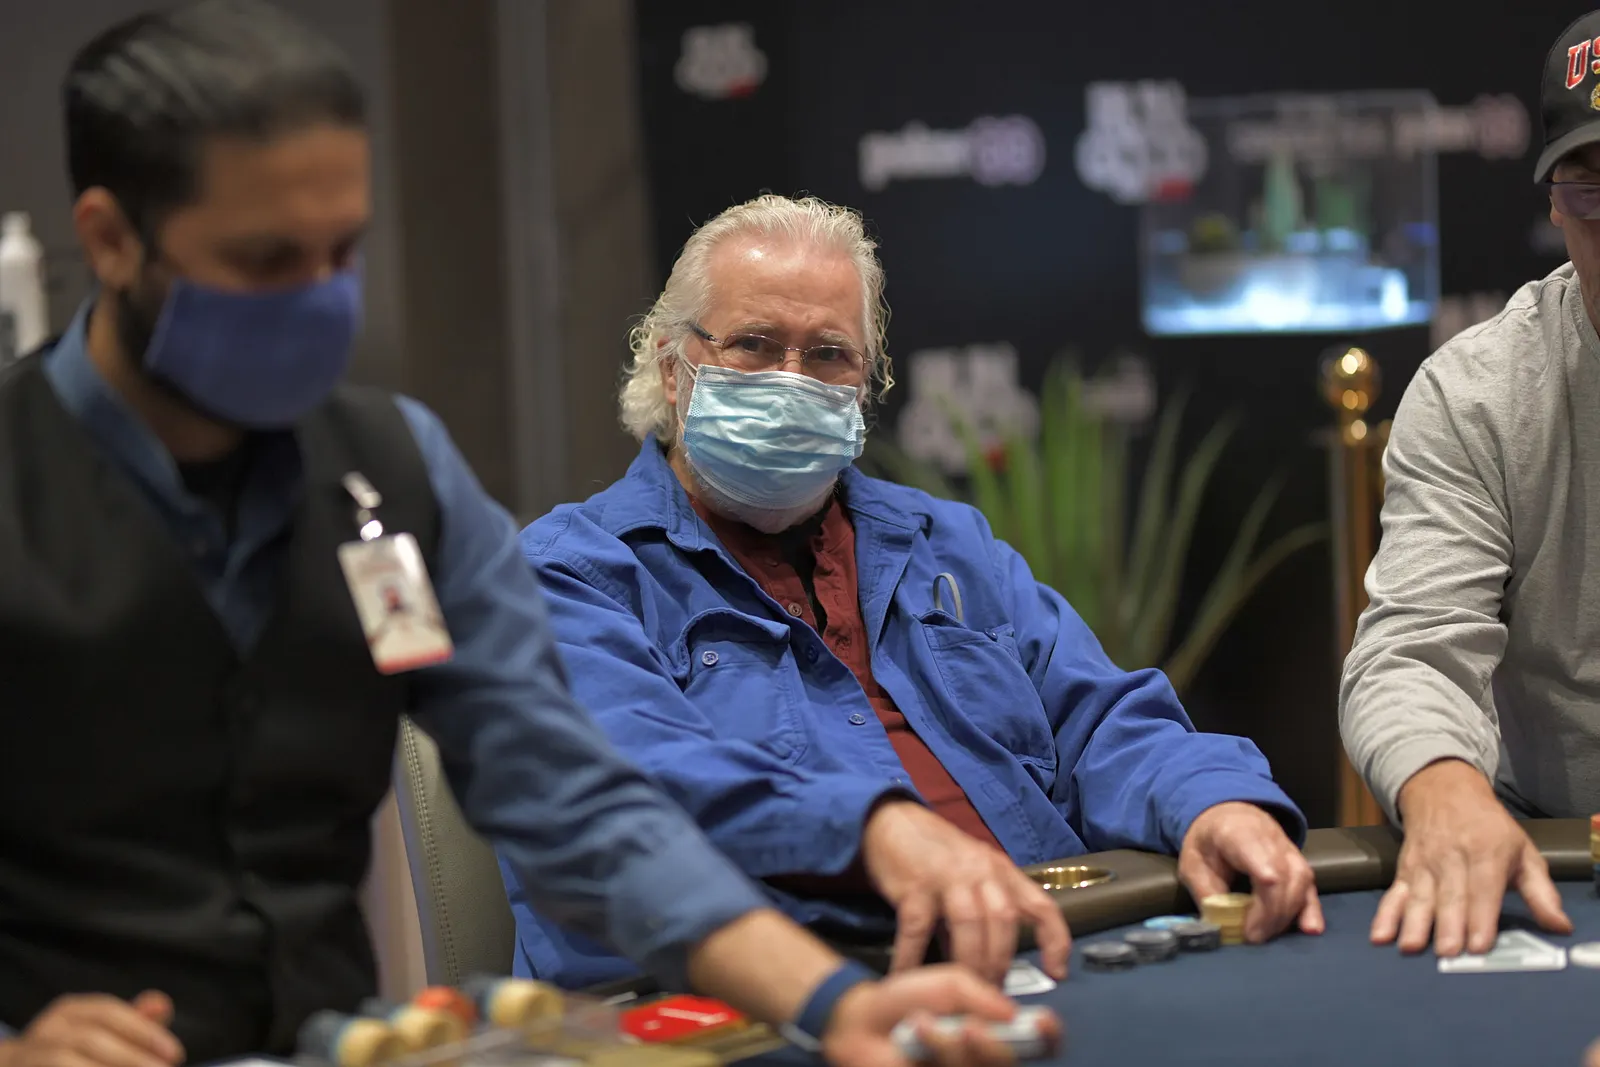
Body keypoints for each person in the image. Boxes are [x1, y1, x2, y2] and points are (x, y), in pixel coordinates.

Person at [0, 4, 1047, 1066]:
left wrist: (825, 1000)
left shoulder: (392, 474)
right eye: (267, 259)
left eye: (342, 253)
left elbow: (568, 793)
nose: (318, 299)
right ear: (111, 240)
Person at [501, 192, 1323, 990]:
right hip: (775, 999)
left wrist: (1211, 801)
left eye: (828, 354)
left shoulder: (947, 545)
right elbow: (638, 788)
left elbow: (1102, 717)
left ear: (865, 385)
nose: (792, 381)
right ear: (672, 367)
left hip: (1053, 960)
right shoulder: (570, 573)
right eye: (754, 344)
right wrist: (875, 832)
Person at [1339, 9, 1600, 960]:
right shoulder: (1479, 393)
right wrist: (1447, 787)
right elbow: (1411, 652)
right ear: (1553, 205)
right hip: (1563, 859)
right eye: (1592, 191)